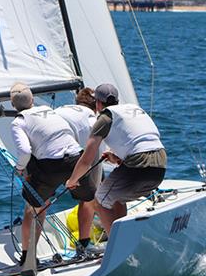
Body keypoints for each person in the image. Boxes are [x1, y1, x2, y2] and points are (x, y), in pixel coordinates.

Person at [9, 83, 99, 265]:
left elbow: (25, 151)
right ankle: (84, 245)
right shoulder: (50, 111)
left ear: (12, 104)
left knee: (35, 207)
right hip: (75, 159)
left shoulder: (18, 121)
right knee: (88, 199)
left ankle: (28, 257)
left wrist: (19, 168)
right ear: (33, 99)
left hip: (49, 166)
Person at [66, 83, 166, 235]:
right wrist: (115, 157)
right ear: (117, 100)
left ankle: (117, 244)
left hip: (138, 166)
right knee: (117, 197)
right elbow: (139, 142)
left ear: (98, 103)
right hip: (160, 165)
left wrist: (72, 180)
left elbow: (87, 158)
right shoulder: (134, 109)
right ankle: (122, 237)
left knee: (99, 200)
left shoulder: (105, 118)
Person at [54, 87, 102, 253]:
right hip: (70, 156)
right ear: (96, 105)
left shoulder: (60, 110)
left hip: (44, 157)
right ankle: (84, 244)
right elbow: (96, 149)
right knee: (89, 198)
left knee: (39, 202)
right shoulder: (92, 118)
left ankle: (28, 251)